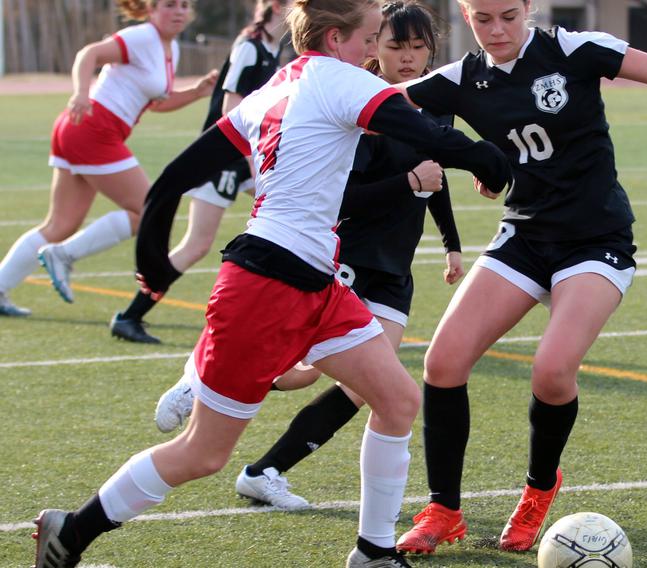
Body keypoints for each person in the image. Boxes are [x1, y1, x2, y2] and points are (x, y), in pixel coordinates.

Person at [30, 1, 511, 567]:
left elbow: (177, 175)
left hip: (318, 283)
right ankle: (72, 531)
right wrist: (488, 160)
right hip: (265, 286)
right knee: (203, 453)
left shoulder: (278, 86)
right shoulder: (341, 78)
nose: (374, 52)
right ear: (336, 40)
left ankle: (373, 553)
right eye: (372, 38)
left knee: (398, 400)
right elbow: (428, 132)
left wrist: (154, 262)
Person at [393, 0, 647, 555]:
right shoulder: (460, 79)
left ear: (528, 8)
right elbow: (386, 107)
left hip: (595, 241)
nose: (497, 29)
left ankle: (538, 490)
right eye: (483, 18)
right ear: (464, 16)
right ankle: (443, 510)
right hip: (524, 237)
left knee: (552, 372)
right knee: (443, 360)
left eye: (508, 14)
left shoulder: (571, 49)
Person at [152, 0, 464, 512]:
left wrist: (451, 243)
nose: (407, 58)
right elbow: (349, 198)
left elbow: (437, 174)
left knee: (369, 390)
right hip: (346, 258)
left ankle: (265, 470)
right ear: (372, 47)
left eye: (417, 47)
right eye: (393, 46)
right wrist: (409, 183)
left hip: (394, 266)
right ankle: (200, 379)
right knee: (297, 374)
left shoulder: (428, 106)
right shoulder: (357, 104)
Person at [0, 0, 217, 317]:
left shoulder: (168, 48)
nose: (180, 11)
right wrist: (80, 92)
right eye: (170, 5)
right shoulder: (142, 36)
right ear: (150, 10)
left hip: (81, 130)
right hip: (93, 128)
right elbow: (88, 54)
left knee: (60, 224)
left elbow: (156, 102)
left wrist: (196, 92)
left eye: (184, 5)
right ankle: (63, 256)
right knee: (147, 211)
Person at [110, 0, 290, 343]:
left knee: (293, 214)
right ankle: (130, 315)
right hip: (224, 160)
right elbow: (230, 108)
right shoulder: (249, 47)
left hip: (245, 160)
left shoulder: (270, 49)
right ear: (277, 7)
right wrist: (255, 157)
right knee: (196, 245)